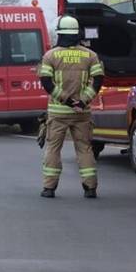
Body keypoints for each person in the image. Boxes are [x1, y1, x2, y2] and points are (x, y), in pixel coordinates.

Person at [37, 16, 104, 198]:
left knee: (53, 148)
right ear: (77, 34)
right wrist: (82, 101)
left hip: (58, 113)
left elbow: (46, 82)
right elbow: (98, 80)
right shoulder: (90, 55)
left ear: (60, 33)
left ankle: (49, 188)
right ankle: (90, 188)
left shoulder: (50, 56)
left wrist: (65, 100)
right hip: (81, 113)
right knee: (84, 148)